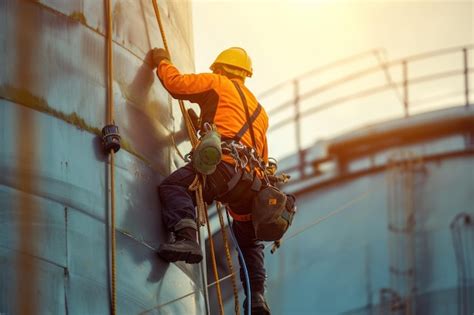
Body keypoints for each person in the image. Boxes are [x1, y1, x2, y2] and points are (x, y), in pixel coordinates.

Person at [152, 47, 271, 314]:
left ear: (221, 68)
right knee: (249, 241)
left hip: (224, 168)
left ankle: (187, 237)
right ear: (244, 74)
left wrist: (162, 61)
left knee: (175, 186)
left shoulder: (216, 82)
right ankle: (258, 298)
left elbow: (176, 84)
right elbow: (262, 155)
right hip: (252, 183)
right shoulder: (260, 112)